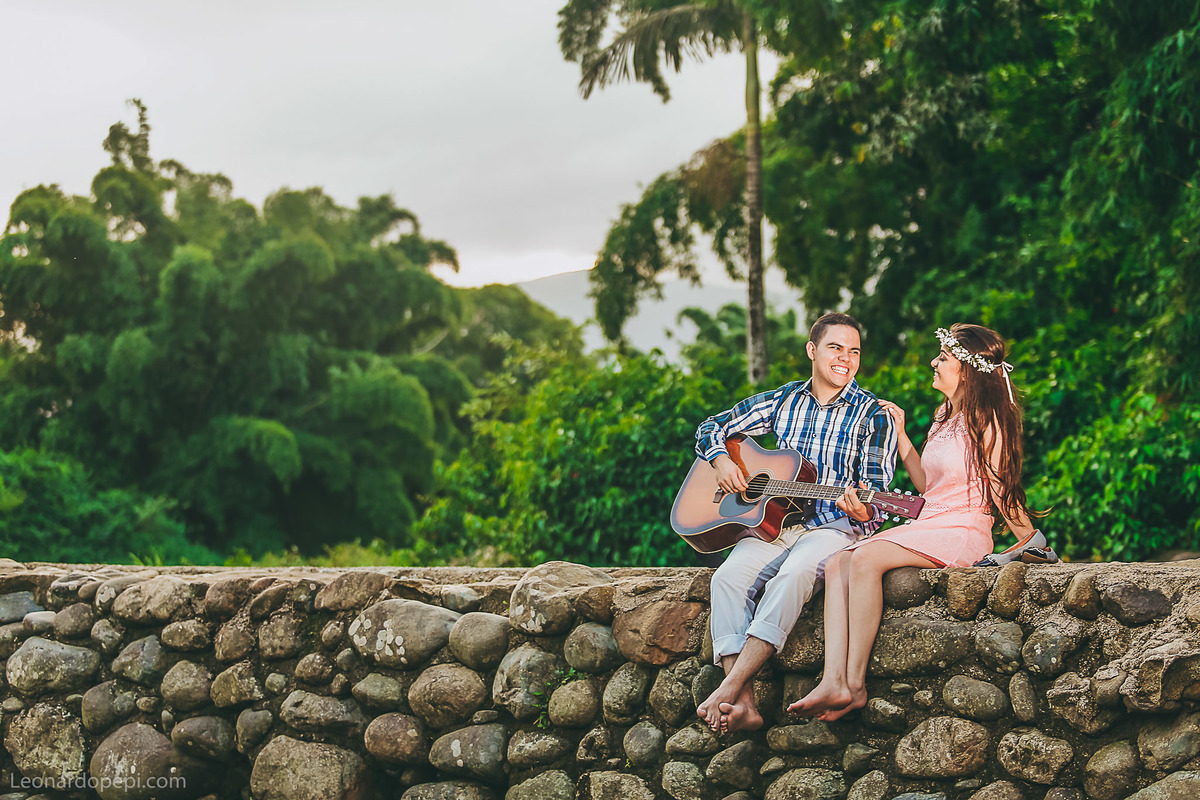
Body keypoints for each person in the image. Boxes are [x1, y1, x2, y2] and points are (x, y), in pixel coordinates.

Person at [788, 323, 1053, 722]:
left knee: (864, 559)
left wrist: (1033, 541)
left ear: (966, 371)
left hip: (962, 528)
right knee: (838, 561)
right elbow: (929, 487)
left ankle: (853, 684)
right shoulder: (945, 414)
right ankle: (832, 678)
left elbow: (1001, 491)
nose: (934, 362)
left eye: (942, 358)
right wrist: (901, 435)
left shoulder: (988, 421)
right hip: (931, 521)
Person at [694, 312, 898, 733]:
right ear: (812, 350)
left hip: (834, 525)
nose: (845, 358)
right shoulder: (784, 399)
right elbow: (711, 426)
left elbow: (876, 495)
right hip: (776, 524)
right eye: (835, 348)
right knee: (726, 578)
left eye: (854, 351)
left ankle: (727, 688)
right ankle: (745, 706)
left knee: (794, 575)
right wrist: (720, 461)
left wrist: (864, 508)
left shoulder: (873, 415)